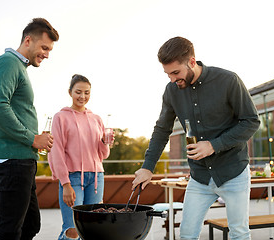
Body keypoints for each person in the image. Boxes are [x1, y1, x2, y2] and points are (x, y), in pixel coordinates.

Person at [132, 37, 260, 240]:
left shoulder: (228, 80)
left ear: (192, 62)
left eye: (176, 73)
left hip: (233, 172)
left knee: (239, 233)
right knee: (187, 235)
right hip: (199, 177)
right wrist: (148, 167)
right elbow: (161, 130)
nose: (172, 80)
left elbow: (251, 121)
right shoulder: (171, 90)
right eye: (167, 74)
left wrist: (213, 145)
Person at [0, 18, 59, 240]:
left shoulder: (19, 67)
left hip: (21, 160)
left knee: (30, 225)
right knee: (9, 231)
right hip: (11, 161)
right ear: (28, 40)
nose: (46, 54)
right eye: (44, 47)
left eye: (49, 50)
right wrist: (31, 138)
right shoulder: (8, 63)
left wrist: (36, 138)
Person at [48, 74, 111, 240]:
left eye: (87, 92)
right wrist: (65, 183)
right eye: (78, 92)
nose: (83, 96)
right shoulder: (60, 117)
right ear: (70, 92)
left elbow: (103, 154)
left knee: (92, 228)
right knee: (73, 229)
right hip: (72, 178)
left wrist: (105, 142)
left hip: (96, 177)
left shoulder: (97, 119)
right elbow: (56, 151)